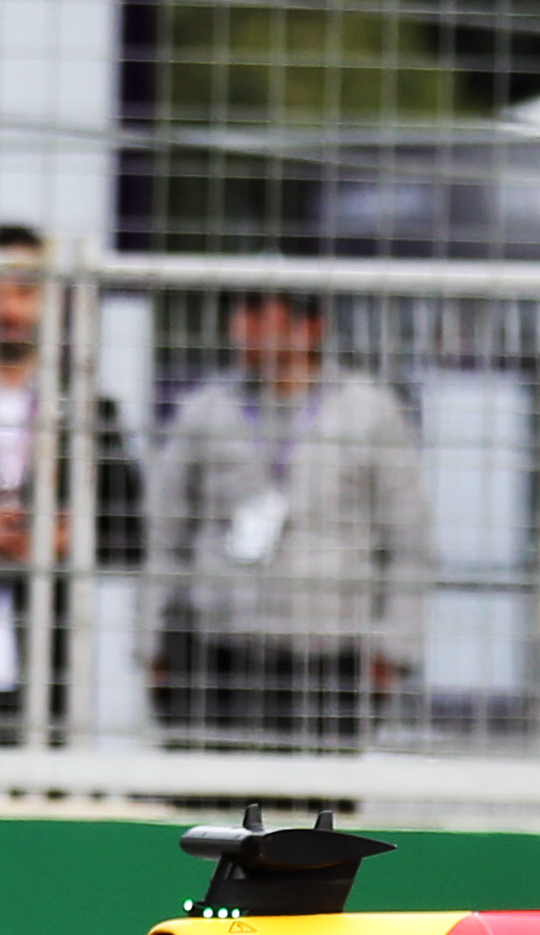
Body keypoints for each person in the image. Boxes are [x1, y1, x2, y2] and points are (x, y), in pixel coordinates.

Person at [146, 288, 427, 756]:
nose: (243, 327)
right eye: (241, 312)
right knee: (210, 812)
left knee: (314, 818)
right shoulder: (206, 411)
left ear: (311, 326)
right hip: (219, 648)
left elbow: (408, 541)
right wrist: (152, 644)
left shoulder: (368, 414)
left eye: (259, 313)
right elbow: (166, 535)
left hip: (328, 652)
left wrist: (395, 650)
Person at [0, 223, 141, 737]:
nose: (8, 310)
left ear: (52, 301)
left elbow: (130, 533)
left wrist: (66, 536)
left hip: (52, 670)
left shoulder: (88, 411)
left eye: (24, 292)